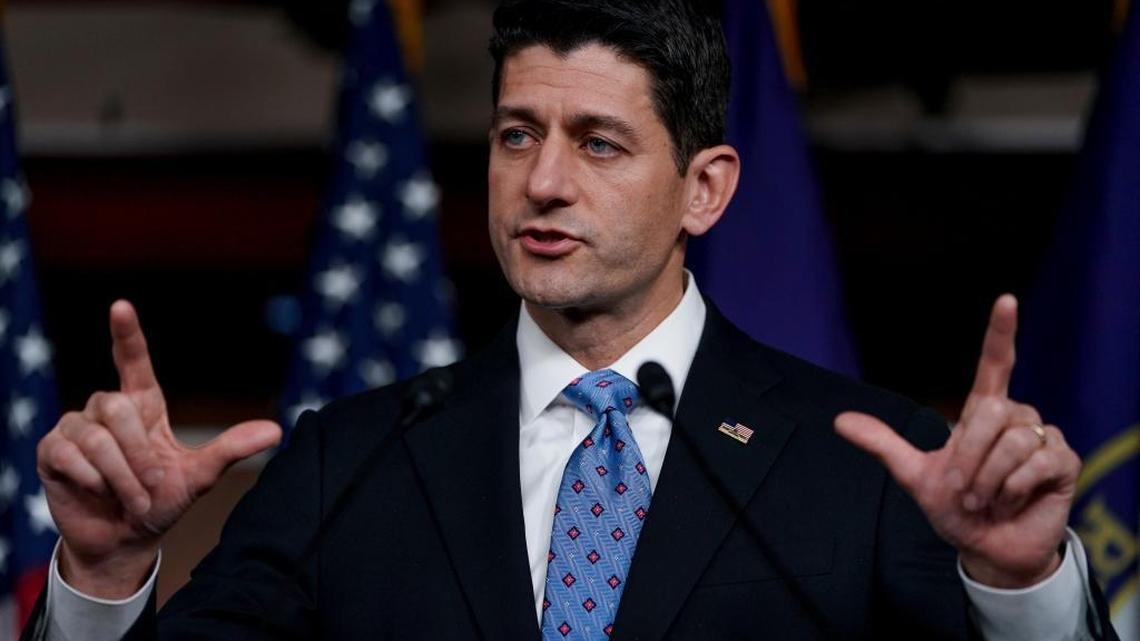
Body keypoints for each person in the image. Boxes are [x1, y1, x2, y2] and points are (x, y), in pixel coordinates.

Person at [23, 0, 1115, 639]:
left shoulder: (872, 464)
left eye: (598, 142)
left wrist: (1022, 587)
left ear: (707, 189)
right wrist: (106, 574)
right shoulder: (346, 461)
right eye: (513, 135)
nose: (542, 182)